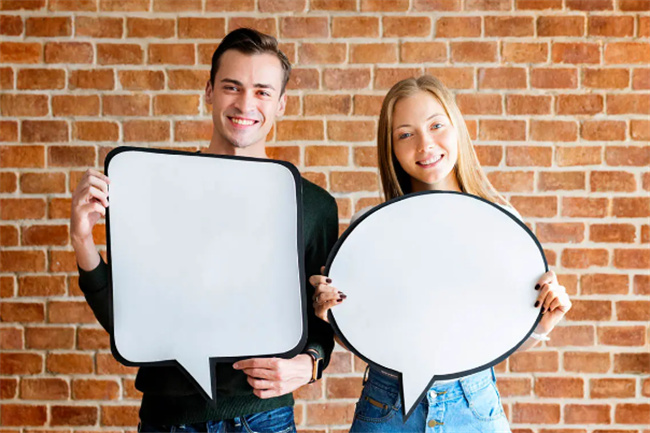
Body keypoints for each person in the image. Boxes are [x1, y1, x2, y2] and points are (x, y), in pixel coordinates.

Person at [70, 28, 338, 433]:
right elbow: (126, 324)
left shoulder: (316, 206)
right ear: (209, 91)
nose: (246, 103)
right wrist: (82, 240)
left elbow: (323, 317)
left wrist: (311, 363)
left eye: (263, 91)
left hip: (265, 418)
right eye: (232, 86)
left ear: (281, 104)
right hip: (170, 419)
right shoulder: (156, 188)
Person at [309, 75, 572, 432]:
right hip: (387, 405)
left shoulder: (502, 223)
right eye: (405, 134)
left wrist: (540, 323)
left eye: (436, 126)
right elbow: (363, 332)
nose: (425, 144)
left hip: (473, 404)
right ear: (391, 147)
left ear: (456, 128)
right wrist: (330, 314)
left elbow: (495, 337)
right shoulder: (368, 228)